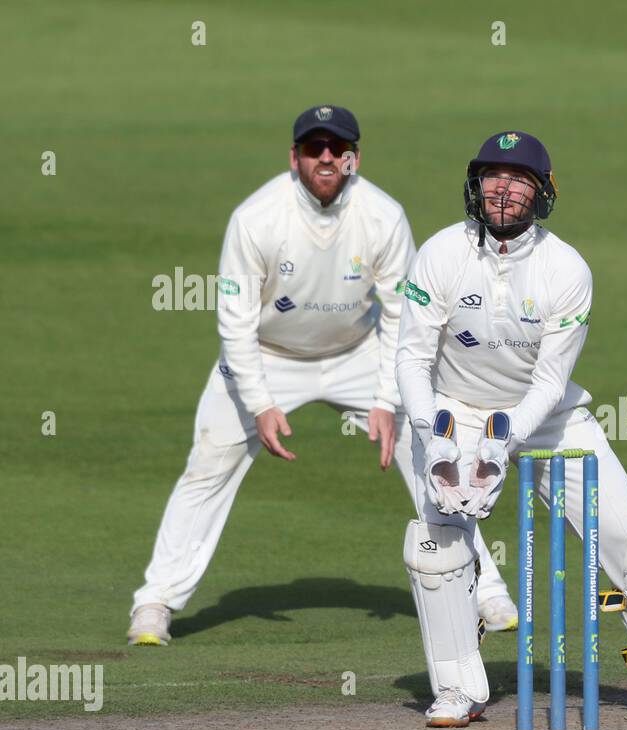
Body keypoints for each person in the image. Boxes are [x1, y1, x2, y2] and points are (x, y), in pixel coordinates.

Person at [127, 105, 514, 644]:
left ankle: (487, 592)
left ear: (355, 157)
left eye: (338, 149)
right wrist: (261, 403)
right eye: (314, 149)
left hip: (358, 352)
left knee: (432, 451)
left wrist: (385, 400)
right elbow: (234, 324)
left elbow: (403, 315)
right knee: (207, 465)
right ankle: (155, 604)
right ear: (295, 158)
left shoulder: (382, 215)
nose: (326, 158)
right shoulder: (256, 218)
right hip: (266, 354)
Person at [395, 130, 627, 727]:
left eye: (519, 179)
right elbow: (410, 359)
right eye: (492, 177)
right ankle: (458, 689)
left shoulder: (566, 269)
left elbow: (550, 385)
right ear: (474, 186)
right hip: (451, 412)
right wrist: (436, 437)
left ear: (543, 192)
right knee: (438, 551)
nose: (502, 189)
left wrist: (502, 443)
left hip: (549, 421)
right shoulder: (440, 253)